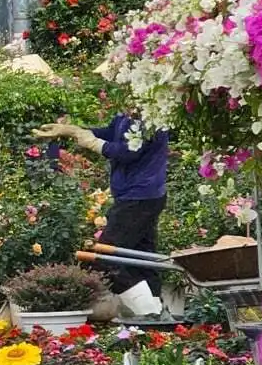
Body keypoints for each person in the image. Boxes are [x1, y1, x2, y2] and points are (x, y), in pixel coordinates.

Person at [35, 112, 171, 296]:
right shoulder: (127, 112)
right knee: (140, 259)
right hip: (136, 196)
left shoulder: (148, 113)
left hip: (139, 196)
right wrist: (73, 131)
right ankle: (155, 317)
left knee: (106, 260)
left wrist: (92, 142)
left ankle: (147, 312)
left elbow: (128, 151)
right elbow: (110, 133)